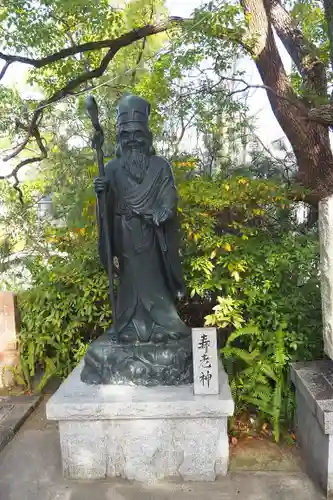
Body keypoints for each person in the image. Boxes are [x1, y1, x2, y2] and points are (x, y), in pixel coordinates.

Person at [94, 94, 190, 345]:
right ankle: (127, 326)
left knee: (153, 280)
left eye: (138, 133)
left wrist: (163, 211)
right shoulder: (112, 168)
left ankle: (163, 324)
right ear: (119, 139)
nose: (133, 140)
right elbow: (106, 208)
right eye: (126, 135)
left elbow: (169, 194)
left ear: (147, 135)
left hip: (152, 234)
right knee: (130, 282)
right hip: (124, 234)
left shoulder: (160, 166)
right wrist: (101, 193)